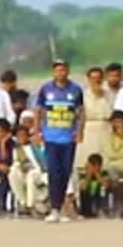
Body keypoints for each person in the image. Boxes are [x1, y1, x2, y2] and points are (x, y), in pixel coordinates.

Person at [35, 59, 84, 222]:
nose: (60, 73)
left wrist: (79, 131)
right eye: (57, 70)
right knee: (54, 173)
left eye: (63, 70)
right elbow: (38, 110)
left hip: (68, 138)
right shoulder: (46, 89)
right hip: (51, 138)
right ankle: (54, 208)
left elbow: (81, 112)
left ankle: (62, 206)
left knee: (65, 173)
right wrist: (37, 131)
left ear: (67, 71)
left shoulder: (75, 90)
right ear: (53, 72)